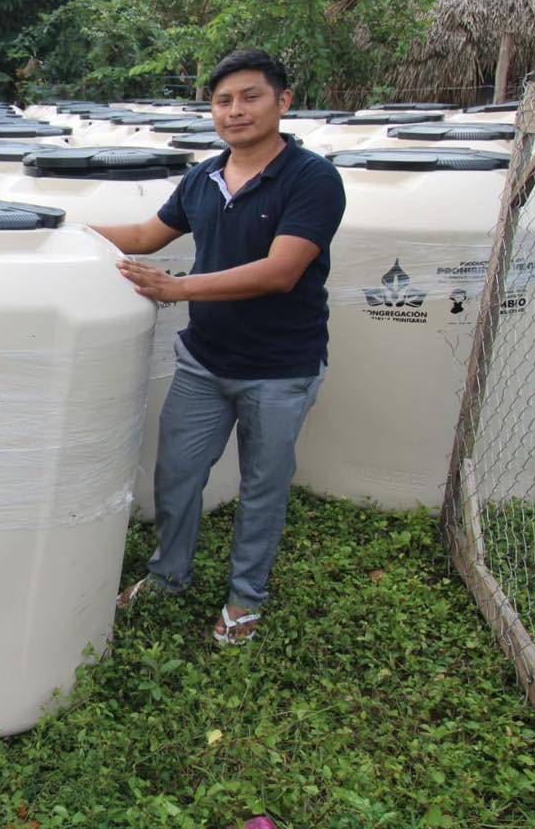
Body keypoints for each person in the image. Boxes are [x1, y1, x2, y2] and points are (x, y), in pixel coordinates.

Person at [92, 49, 345, 645]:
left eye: (251, 97)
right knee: (177, 473)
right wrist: (63, 226)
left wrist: (179, 289)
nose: (236, 110)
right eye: (223, 101)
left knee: (262, 486)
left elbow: (281, 271)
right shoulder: (202, 177)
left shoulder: (312, 179)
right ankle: (168, 574)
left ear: (283, 102)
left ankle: (244, 599)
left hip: (280, 369)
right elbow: (145, 236)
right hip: (204, 362)